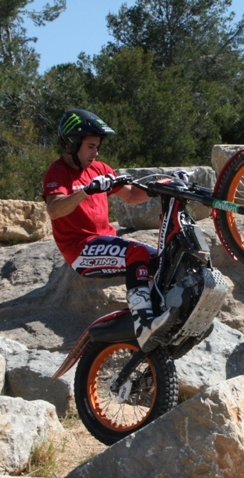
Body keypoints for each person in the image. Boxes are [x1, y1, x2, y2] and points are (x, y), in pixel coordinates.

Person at [43, 108, 170, 350]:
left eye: (97, 146)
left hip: (105, 241)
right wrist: (85, 191)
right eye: (90, 146)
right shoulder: (57, 172)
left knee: (161, 261)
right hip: (80, 250)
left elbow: (132, 196)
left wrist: (165, 184)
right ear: (72, 143)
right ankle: (141, 319)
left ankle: (156, 312)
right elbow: (54, 210)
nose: (96, 152)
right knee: (138, 253)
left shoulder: (100, 168)